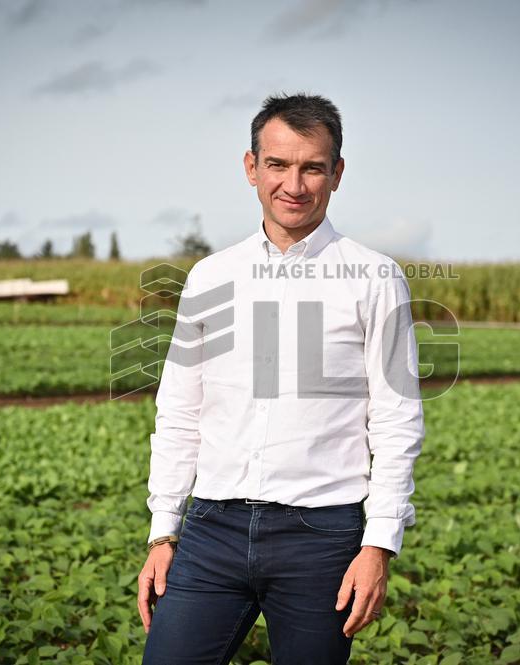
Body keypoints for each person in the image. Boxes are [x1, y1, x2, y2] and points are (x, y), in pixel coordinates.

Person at [138, 92, 425, 665]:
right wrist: (163, 530)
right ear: (252, 168)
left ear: (337, 173)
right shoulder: (211, 277)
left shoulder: (373, 278)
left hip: (321, 538)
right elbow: (180, 412)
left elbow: (396, 419)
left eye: (312, 167)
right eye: (278, 164)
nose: (294, 184)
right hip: (211, 529)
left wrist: (378, 545)